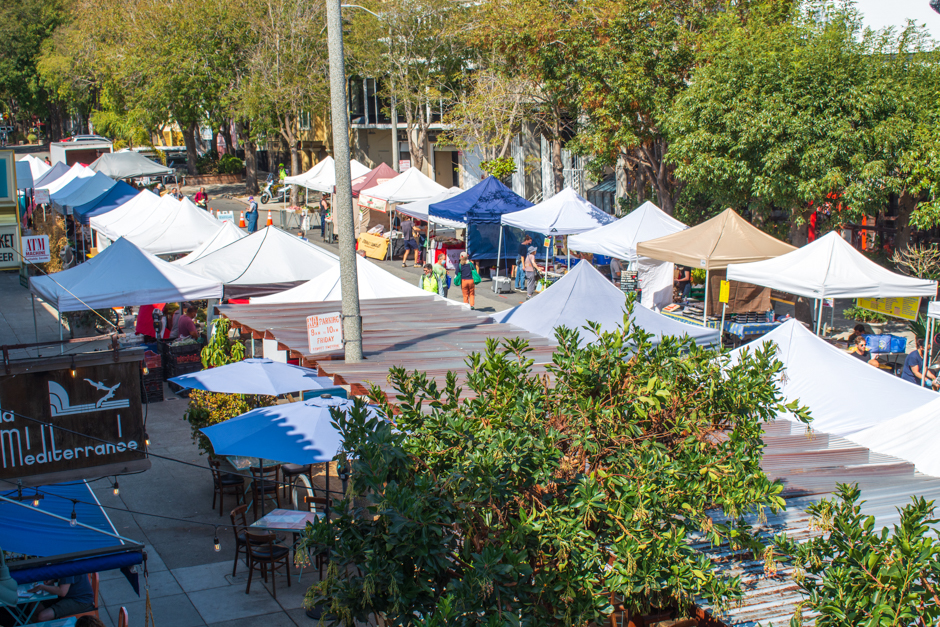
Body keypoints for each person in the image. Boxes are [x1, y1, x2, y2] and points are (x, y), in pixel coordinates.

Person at [31, 574, 96, 621]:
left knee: (42, 616)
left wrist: (42, 587)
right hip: (70, 596)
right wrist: (53, 580)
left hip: (80, 601)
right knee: (35, 607)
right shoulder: (65, 560)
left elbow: (62, 592)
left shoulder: (67, 566)